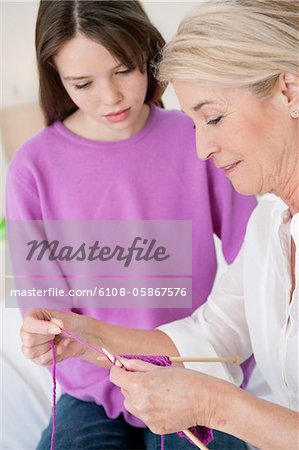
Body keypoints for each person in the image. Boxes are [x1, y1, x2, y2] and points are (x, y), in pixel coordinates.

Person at [6, 1, 256, 449]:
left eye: (124, 71)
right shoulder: (33, 168)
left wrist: (222, 369)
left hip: (190, 374)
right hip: (91, 391)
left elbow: (255, 264)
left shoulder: (197, 136)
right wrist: (118, 384)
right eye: (82, 83)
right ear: (56, 78)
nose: (111, 97)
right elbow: (47, 318)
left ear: (148, 52)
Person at [109, 1, 299, 449]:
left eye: (212, 117)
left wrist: (216, 406)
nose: (201, 149)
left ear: (289, 91)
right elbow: (213, 334)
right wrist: (85, 338)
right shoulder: (269, 221)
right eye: (194, 124)